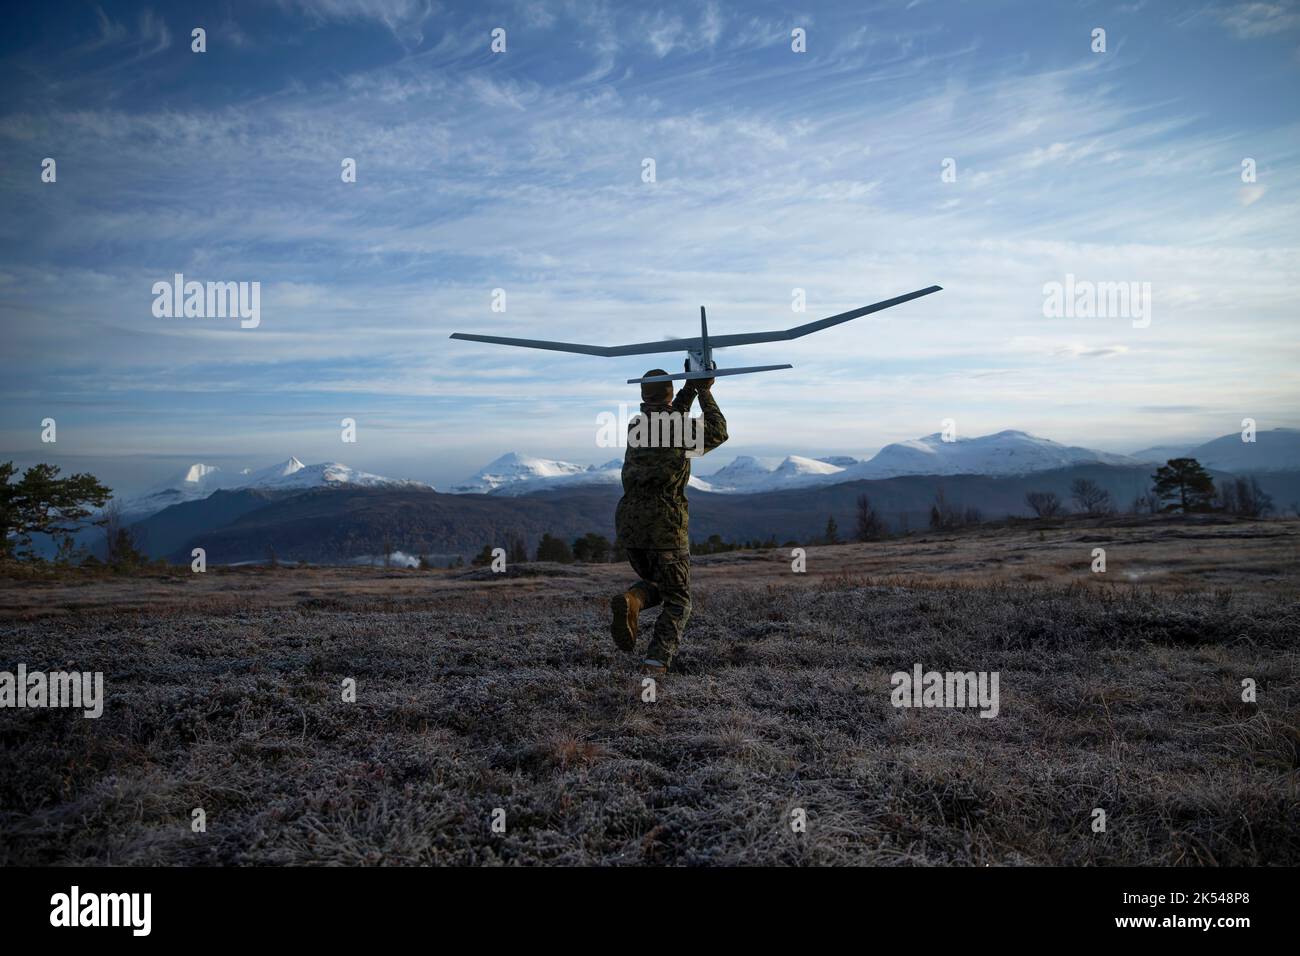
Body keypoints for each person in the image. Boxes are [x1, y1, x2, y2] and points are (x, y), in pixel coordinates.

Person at [611, 362, 727, 672]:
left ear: (642, 395)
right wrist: (703, 389)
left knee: (658, 584)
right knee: (679, 600)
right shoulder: (678, 427)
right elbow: (718, 431)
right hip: (665, 526)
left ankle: (635, 600)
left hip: (631, 526)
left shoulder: (636, 426)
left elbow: (669, 417)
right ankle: (656, 662)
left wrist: (691, 385)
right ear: (668, 393)